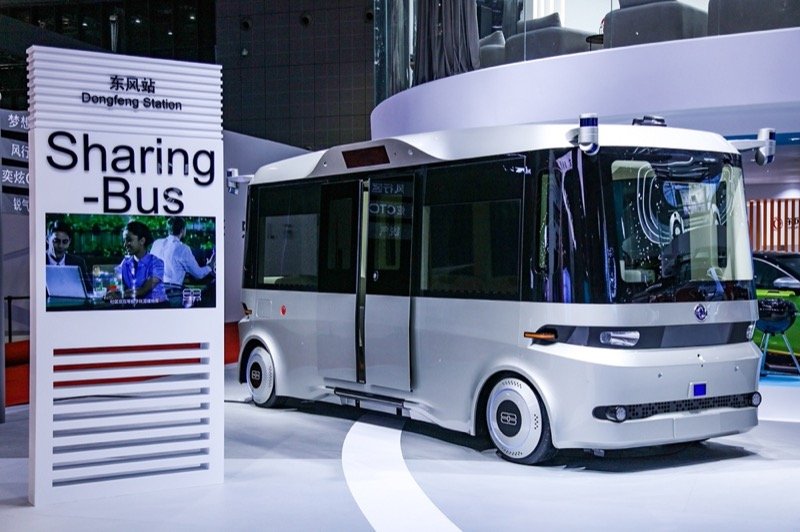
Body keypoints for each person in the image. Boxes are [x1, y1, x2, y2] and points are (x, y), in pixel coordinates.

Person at [150, 216, 215, 307]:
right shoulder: (183, 249)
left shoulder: (156, 243)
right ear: (182, 230)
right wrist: (209, 266)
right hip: (172, 295)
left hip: (154, 294)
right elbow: (198, 274)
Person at [105, 221, 167, 305]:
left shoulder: (156, 263)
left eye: (129, 240)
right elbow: (114, 281)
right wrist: (111, 291)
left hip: (157, 307)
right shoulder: (125, 263)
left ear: (142, 241)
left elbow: (142, 290)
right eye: (124, 241)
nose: (125, 245)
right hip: (135, 307)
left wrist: (120, 295)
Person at [46, 219, 92, 293]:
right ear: (47, 240)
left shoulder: (78, 263)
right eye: (56, 241)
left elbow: (89, 291)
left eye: (65, 242)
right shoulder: (38, 262)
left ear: (69, 242)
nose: (60, 246)